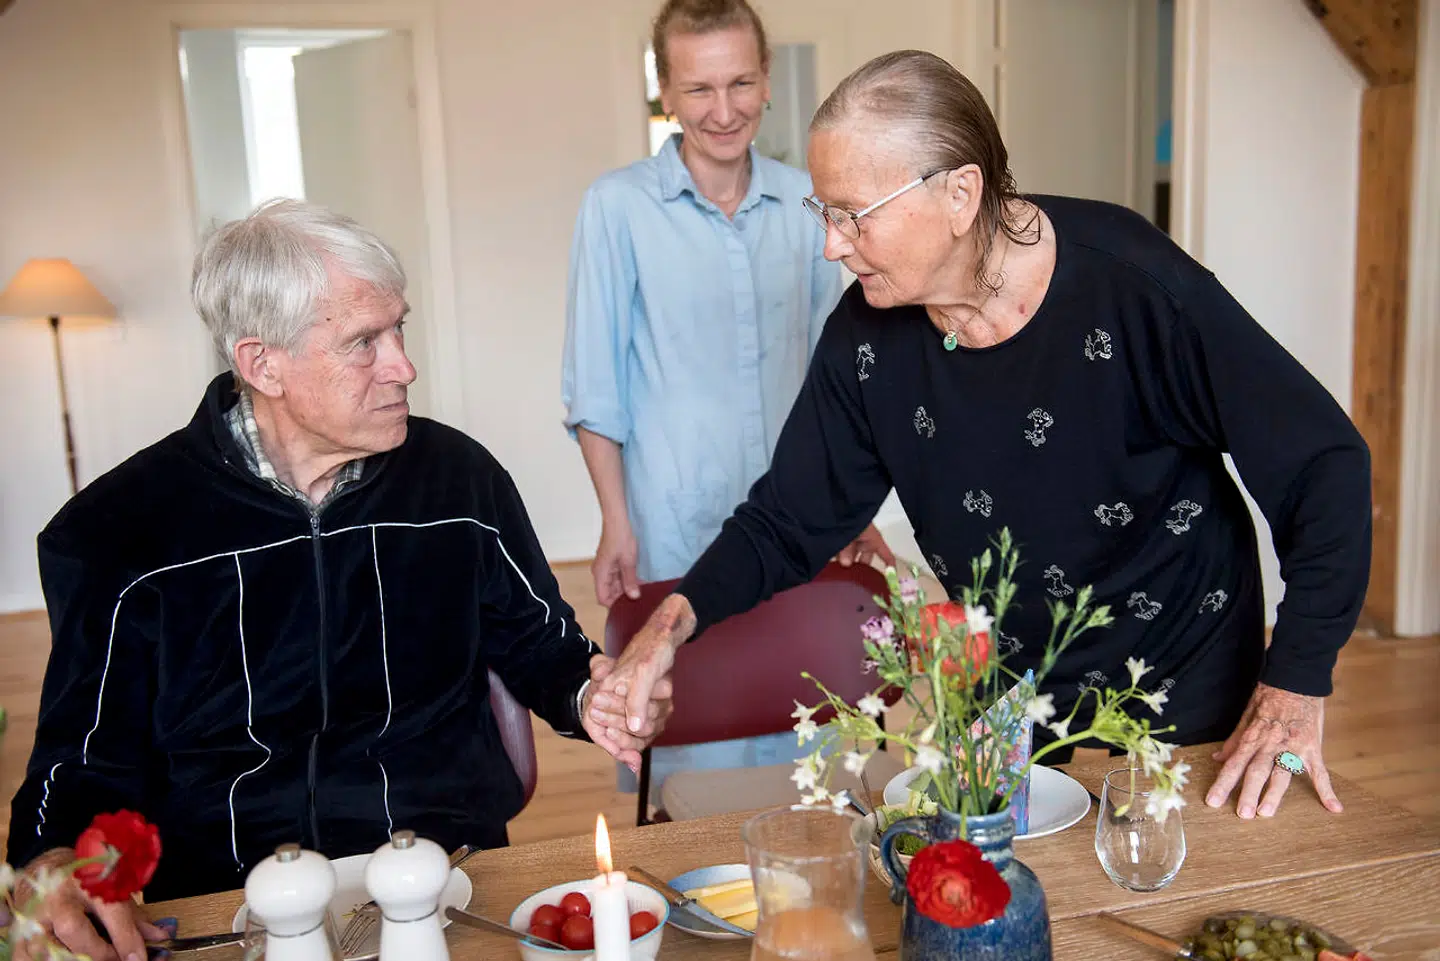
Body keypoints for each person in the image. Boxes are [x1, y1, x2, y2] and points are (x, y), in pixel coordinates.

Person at [587, 50, 1372, 826]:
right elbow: (787, 519)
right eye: (822, 212)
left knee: (1179, 887)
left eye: (853, 215)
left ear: (959, 193)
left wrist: (1296, 679)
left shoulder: (1131, 285)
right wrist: (667, 626)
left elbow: (1322, 462)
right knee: (1013, 891)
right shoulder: (868, 336)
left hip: (1180, 679)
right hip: (1009, 690)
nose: (832, 244)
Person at [5, 200, 671, 961]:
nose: (404, 366)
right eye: (364, 342)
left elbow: (540, 644)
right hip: (229, 903)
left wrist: (593, 697)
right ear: (262, 364)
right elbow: (80, 759)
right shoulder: (118, 532)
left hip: (449, 878)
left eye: (399, 329)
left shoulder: (458, 480)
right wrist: (50, 860)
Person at [560, 0, 892, 809]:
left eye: (740, 83)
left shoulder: (808, 202)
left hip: (795, 513)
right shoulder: (618, 207)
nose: (723, 110)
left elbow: (838, 375)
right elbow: (594, 382)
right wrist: (615, 518)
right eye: (699, 88)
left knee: (798, 728)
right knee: (696, 736)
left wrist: (849, 507)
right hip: (673, 514)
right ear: (666, 90)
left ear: (767, 80)